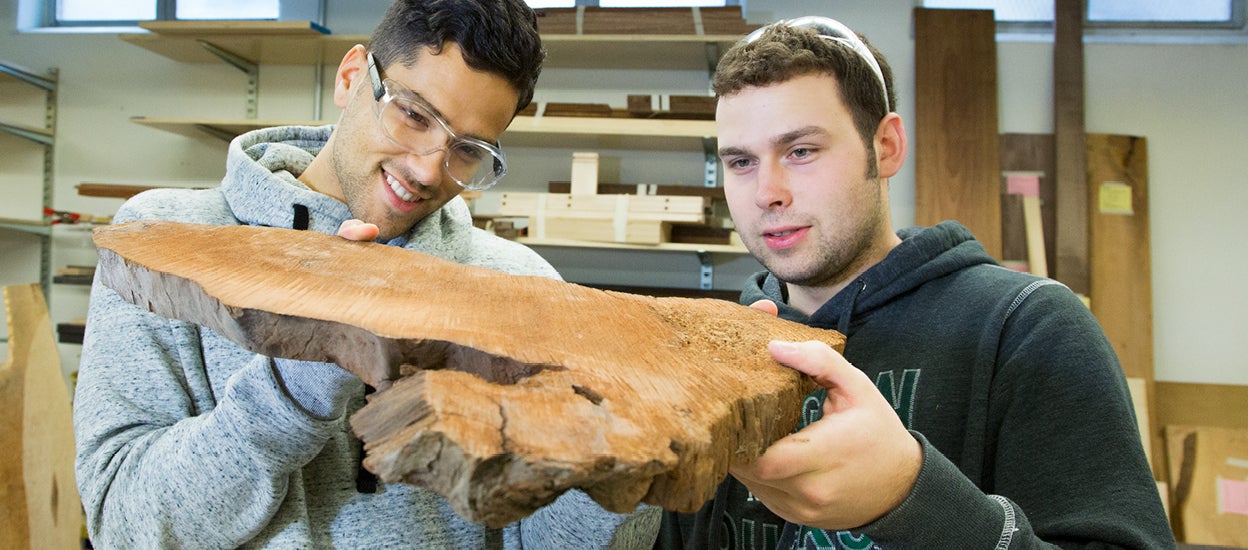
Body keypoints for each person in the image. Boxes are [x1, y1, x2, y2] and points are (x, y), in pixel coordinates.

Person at [73, 1, 658, 547]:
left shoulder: (516, 282)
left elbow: (544, 535)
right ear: (353, 76)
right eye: (413, 115)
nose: (428, 169)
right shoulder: (167, 237)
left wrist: (628, 472)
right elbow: (122, 522)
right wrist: (294, 385)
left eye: (470, 150)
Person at [655, 16, 1175, 550]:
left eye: (801, 151)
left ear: (886, 147)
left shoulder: (1029, 329)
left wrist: (910, 498)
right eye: (741, 161)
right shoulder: (719, 347)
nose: (768, 192)